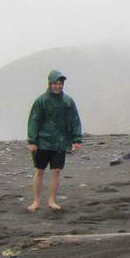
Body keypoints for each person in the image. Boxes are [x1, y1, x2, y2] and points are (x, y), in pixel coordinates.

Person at [26, 70, 82, 211]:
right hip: (43, 141)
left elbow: (75, 120)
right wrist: (32, 141)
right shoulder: (41, 101)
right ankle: (36, 201)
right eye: (56, 83)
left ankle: (52, 200)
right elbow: (34, 120)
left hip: (60, 142)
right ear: (50, 84)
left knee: (56, 171)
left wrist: (77, 139)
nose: (58, 86)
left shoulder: (68, 102)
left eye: (60, 84)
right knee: (40, 171)